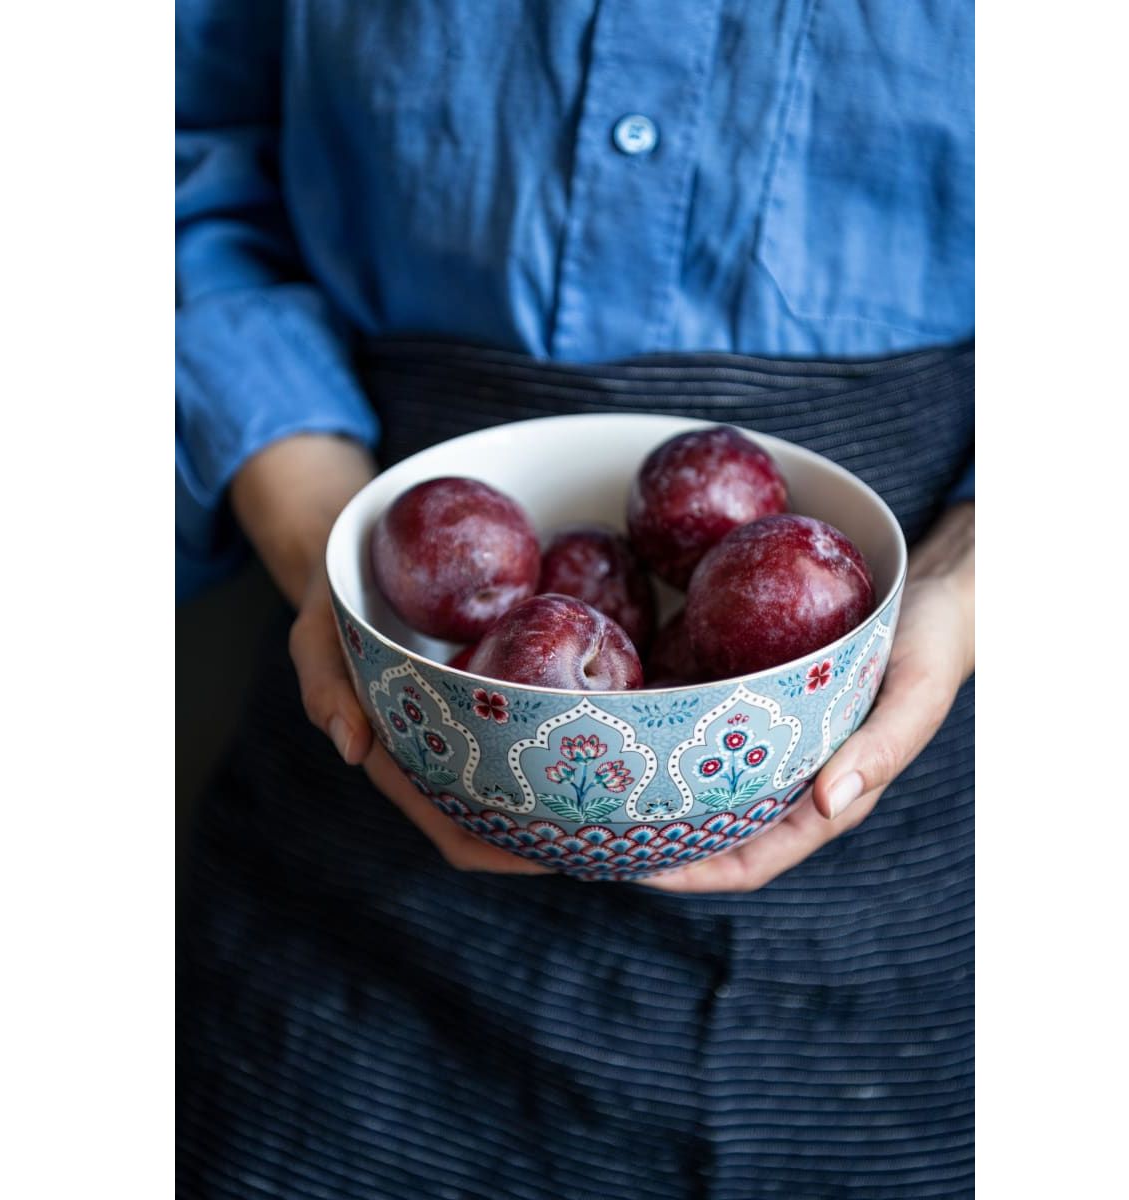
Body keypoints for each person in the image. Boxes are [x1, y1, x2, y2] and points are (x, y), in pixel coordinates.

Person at [177, 3, 974, 1197]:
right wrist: (332, 560)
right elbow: (170, 152)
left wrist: (974, 576)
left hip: (929, 862)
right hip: (373, 788)